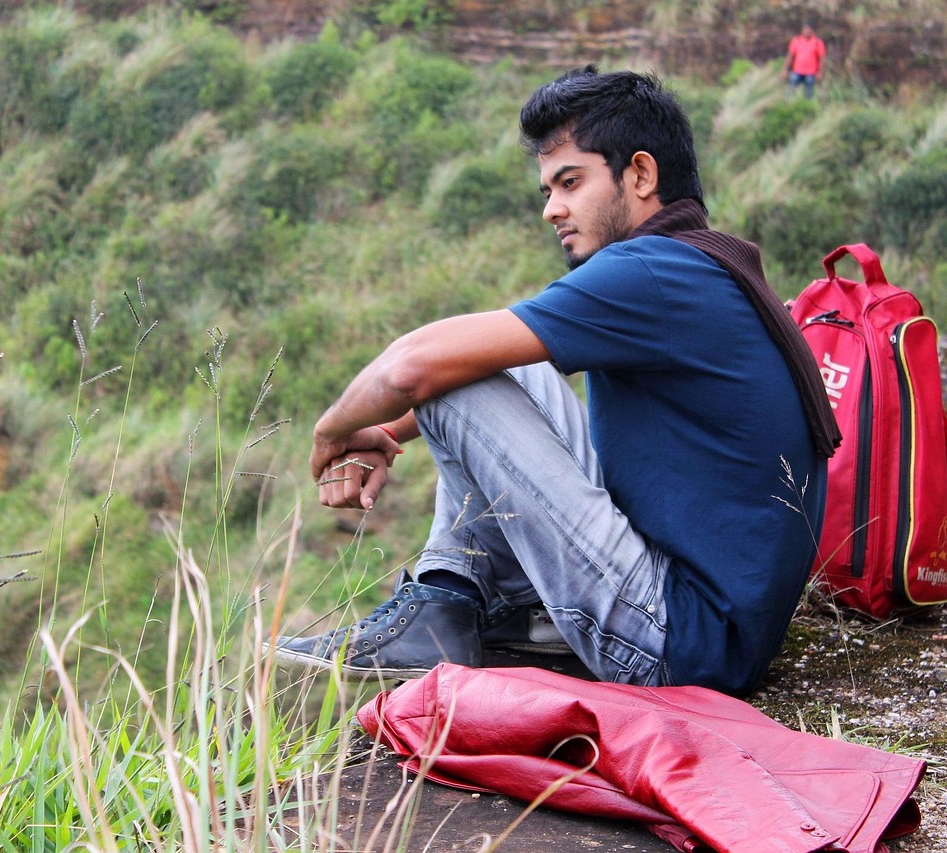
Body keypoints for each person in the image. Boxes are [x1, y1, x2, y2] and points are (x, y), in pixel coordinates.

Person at [270, 66, 840, 697]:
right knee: (488, 362)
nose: (551, 210)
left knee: (448, 376)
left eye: (571, 182)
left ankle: (444, 605)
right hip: (709, 624)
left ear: (641, 175)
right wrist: (384, 430)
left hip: (677, 643)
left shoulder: (650, 274)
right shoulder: (695, 262)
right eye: (548, 190)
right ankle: (449, 602)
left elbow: (411, 367)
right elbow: (462, 362)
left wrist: (333, 431)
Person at [783, 23, 827, 99]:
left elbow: (822, 59)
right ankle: (787, 102)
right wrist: (785, 69)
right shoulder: (796, 41)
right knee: (790, 89)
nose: (807, 31)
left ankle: (807, 104)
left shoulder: (818, 42)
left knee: (808, 92)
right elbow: (790, 56)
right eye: (805, 29)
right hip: (797, 71)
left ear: (812, 31)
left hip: (811, 73)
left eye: (808, 29)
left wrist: (820, 72)